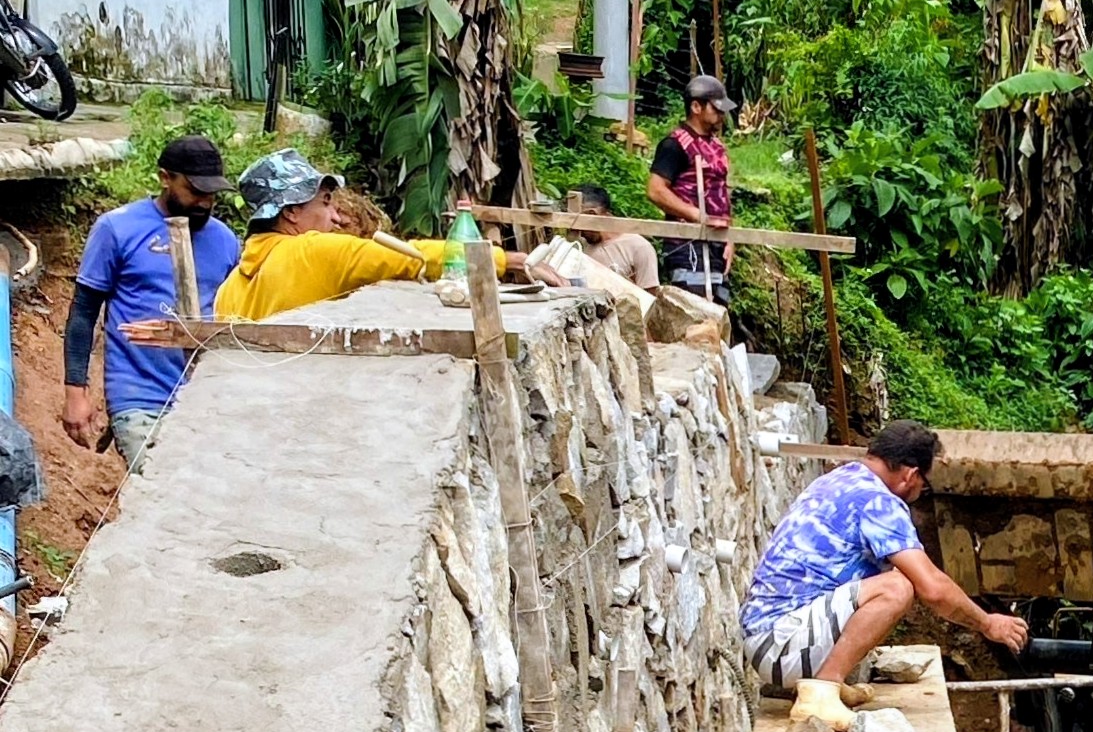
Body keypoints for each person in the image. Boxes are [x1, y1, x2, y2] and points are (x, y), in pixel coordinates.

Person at [741, 419, 1029, 701]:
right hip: (780, 647)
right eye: (923, 486)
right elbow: (933, 589)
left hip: (771, 638)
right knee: (897, 587)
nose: (919, 493)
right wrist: (987, 623)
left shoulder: (838, 480)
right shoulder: (878, 502)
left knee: (885, 580)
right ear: (911, 475)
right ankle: (824, 689)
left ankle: (828, 682)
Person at [63, 135, 242, 470]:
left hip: (207, 398)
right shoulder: (117, 229)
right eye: (195, 190)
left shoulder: (226, 241)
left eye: (212, 194)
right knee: (159, 487)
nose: (205, 202)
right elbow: (83, 313)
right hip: (139, 398)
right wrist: (76, 392)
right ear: (165, 178)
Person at [210, 150, 556, 320]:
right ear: (291, 212)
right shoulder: (314, 251)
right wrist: (506, 259)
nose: (335, 215)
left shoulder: (230, 289)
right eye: (326, 202)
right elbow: (409, 256)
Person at [646, 74, 736, 297]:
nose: (721, 115)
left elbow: (722, 194)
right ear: (696, 106)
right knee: (693, 312)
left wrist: (730, 238)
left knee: (718, 312)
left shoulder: (717, 147)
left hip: (717, 244)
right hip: (687, 245)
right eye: (716, 109)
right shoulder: (675, 145)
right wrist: (696, 215)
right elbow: (655, 190)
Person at [567, 183, 660, 291]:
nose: (579, 232)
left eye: (579, 224)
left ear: (592, 214)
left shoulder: (638, 247)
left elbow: (650, 296)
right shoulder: (579, 247)